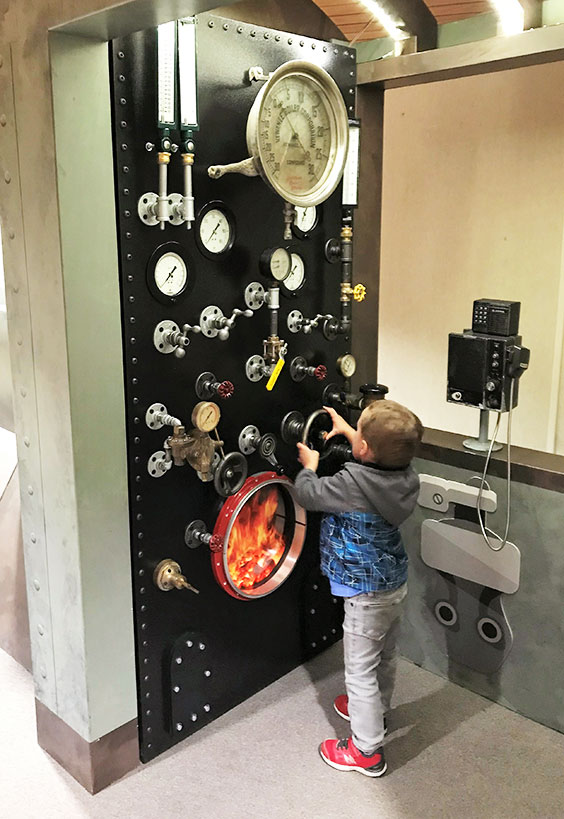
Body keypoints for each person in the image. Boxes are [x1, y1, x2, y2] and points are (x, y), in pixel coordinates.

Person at [293, 399, 423, 777]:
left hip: (363, 593)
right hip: (393, 584)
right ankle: (377, 711)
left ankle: (366, 752)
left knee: (359, 671)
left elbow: (309, 495)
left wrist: (309, 468)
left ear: (364, 450)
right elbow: (374, 459)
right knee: (385, 655)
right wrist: (350, 432)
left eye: (359, 434)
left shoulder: (350, 484)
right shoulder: (405, 477)